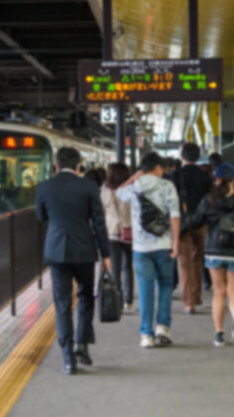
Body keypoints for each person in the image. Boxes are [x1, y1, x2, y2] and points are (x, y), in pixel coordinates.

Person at [35, 147, 111, 375]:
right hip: (84, 251)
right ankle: (82, 345)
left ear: (56, 165)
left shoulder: (44, 187)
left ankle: (68, 359)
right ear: (79, 166)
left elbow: (41, 216)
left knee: (63, 304)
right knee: (86, 297)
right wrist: (105, 254)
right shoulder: (88, 187)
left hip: (57, 252)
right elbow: (98, 223)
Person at [189, 163, 234, 348]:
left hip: (214, 251)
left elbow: (196, 222)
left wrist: (179, 228)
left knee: (218, 292)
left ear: (216, 179)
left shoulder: (209, 199)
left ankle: (219, 334)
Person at [117, 152, 181, 348]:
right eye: (161, 168)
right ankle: (162, 327)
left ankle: (146, 335)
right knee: (165, 285)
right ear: (156, 168)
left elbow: (118, 191)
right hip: (163, 244)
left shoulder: (134, 187)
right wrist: (176, 242)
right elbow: (175, 216)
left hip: (141, 248)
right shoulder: (167, 186)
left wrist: (134, 177)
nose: (162, 171)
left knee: (145, 289)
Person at [170, 142, 213, 314]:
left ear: (182, 156)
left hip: (182, 223)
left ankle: (189, 303)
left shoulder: (176, 175)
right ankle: (196, 295)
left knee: (184, 263)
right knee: (197, 259)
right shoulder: (205, 176)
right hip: (200, 223)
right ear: (198, 156)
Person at [101, 163, 134, 310]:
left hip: (112, 232)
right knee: (128, 267)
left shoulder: (105, 190)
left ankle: (118, 302)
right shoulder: (131, 188)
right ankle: (128, 300)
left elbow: (102, 213)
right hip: (129, 232)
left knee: (115, 269)